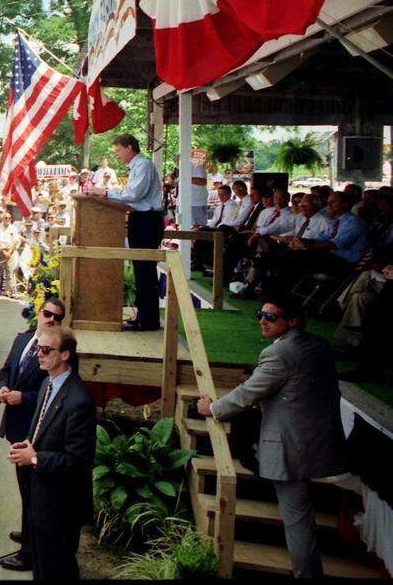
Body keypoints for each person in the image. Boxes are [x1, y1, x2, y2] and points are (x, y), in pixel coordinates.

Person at [197, 296, 345, 578]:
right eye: (260, 314)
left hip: (291, 446)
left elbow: (247, 394)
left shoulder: (280, 354)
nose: (262, 321)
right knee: (301, 516)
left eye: (271, 317)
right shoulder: (318, 345)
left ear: (292, 321)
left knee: (297, 519)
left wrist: (213, 408)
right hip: (318, 440)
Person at [8, 324, 96, 580]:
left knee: (58, 568)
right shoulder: (48, 382)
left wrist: (34, 458)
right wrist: (28, 443)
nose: (39, 354)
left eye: (45, 350)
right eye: (38, 348)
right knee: (42, 566)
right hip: (40, 498)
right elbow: (41, 429)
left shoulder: (79, 401)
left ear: (65, 354)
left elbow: (79, 461)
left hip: (61, 505)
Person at [0, 298, 61, 571]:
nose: (50, 320)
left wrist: (23, 397)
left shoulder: (57, 352)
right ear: (38, 313)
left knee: (32, 489)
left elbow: (54, 395)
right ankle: (29, 530)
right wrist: (3, 387)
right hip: (15, 427)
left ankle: (29, 552)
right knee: (24, 488)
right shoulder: (23, 339)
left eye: (57, 317)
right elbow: (6, 370)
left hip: (35, 432)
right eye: (47, 313)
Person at [89, 134, 163, 331]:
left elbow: (133, 195)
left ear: (130, 147)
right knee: (140, 270)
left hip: (148, 220)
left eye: (119, 151)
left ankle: (149, 320)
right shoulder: (136, 167)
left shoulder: (144, 166)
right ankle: (143, 315)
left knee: (145, 269)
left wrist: (105, 193)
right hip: (139, 219)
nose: (117, 155)